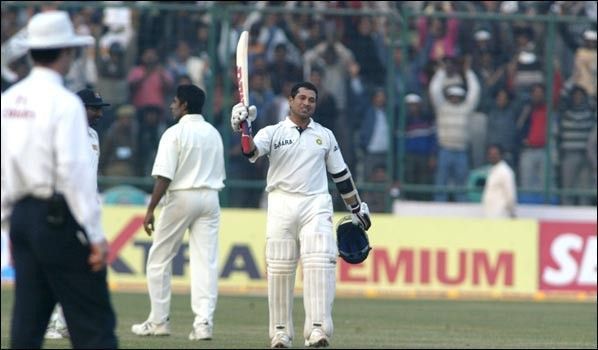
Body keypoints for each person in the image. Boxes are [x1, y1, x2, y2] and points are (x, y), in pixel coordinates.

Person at [0, 11, 117, 349]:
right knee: (94, 324)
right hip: (59, 218)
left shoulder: (7, 102)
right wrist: (94, 234)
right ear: (66, 51)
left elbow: (5, 166)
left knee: (27, 323)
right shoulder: (65, 104)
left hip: (22, 218)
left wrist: (9, 220)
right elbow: (74, 174)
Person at [230, 81, 372, 348]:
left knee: (320, 262)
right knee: (280, 268)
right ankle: (280, 333)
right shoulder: (273, 132)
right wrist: (243, 126)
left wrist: (356, 207)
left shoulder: (325, 135)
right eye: (302, 98)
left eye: (312, 100)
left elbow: (341, 176)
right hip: (281, 203)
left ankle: (318, 330)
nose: (307, 103)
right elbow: (249, 151)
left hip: (315, 203)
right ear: (291, 99)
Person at [132, 84, 225, 341]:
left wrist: (150, 209)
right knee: (205, 262)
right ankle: (203, 323)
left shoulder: (174, 133)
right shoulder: (213, 133)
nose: (171, 105)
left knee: (160, 258)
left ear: (184, 105)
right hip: (210, 199)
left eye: (175, 101)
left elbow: (164, 176)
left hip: (182, 196)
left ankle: (158, 321)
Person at [44, 88, 110, 340]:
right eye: (94, 108)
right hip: (64, 207)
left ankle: (63, 322)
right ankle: (50, 322)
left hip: (87, 210)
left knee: (79, 269)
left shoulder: (93, 135)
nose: (99, 114)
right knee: (57, 265)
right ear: (79, 108)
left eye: (100, 109)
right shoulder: (62, 132)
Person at [481, 144, 517, 218]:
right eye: (490, 154)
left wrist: (512, 212)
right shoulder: (492, 170)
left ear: (501, 155)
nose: (492, 156)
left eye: (495, 154)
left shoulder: (505, 172)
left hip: (501, 215)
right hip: (490, 214)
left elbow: (510, 195)